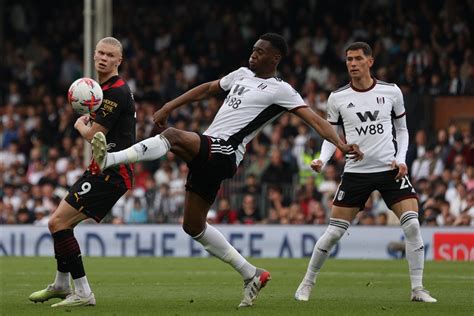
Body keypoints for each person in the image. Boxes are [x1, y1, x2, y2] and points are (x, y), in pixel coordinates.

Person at [91, 33, 362, 307]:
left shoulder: (282, 90)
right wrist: (169, 105)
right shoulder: (242, 74)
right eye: (253, 49)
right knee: (193, 225)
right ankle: (251, 274)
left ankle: (111, 160)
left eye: (260, 51)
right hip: (209, 151)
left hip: (226, 152)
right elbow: (208, 88)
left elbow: (315, 120)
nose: (253, 54)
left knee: (172, 136)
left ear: (275, 58)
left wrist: (340, 143)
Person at [294, 42, 437, 303]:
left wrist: (401, 159)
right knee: (335, 231)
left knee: (413, 224)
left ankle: (417, 289)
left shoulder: (391, 91)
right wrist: (322, 160)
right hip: (356, 172)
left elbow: (402, 130)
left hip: (389, 169)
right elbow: (331, 135)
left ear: (370, 61)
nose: (352, 63)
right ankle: (307, 283)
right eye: (349, 59)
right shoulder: (337, 97)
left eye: (358, 58)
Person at [28, 37, 136, 307]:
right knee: (64, 225)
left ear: (118, 61)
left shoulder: (116, 92)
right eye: (100, 52)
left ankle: (83, 293)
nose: (103, 58)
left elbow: (95, 135)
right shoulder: (100, 89)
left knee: (57, 223)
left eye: (110, 55)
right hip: (100, 170)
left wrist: (80, 124)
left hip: (113, 173)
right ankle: (62, 284)